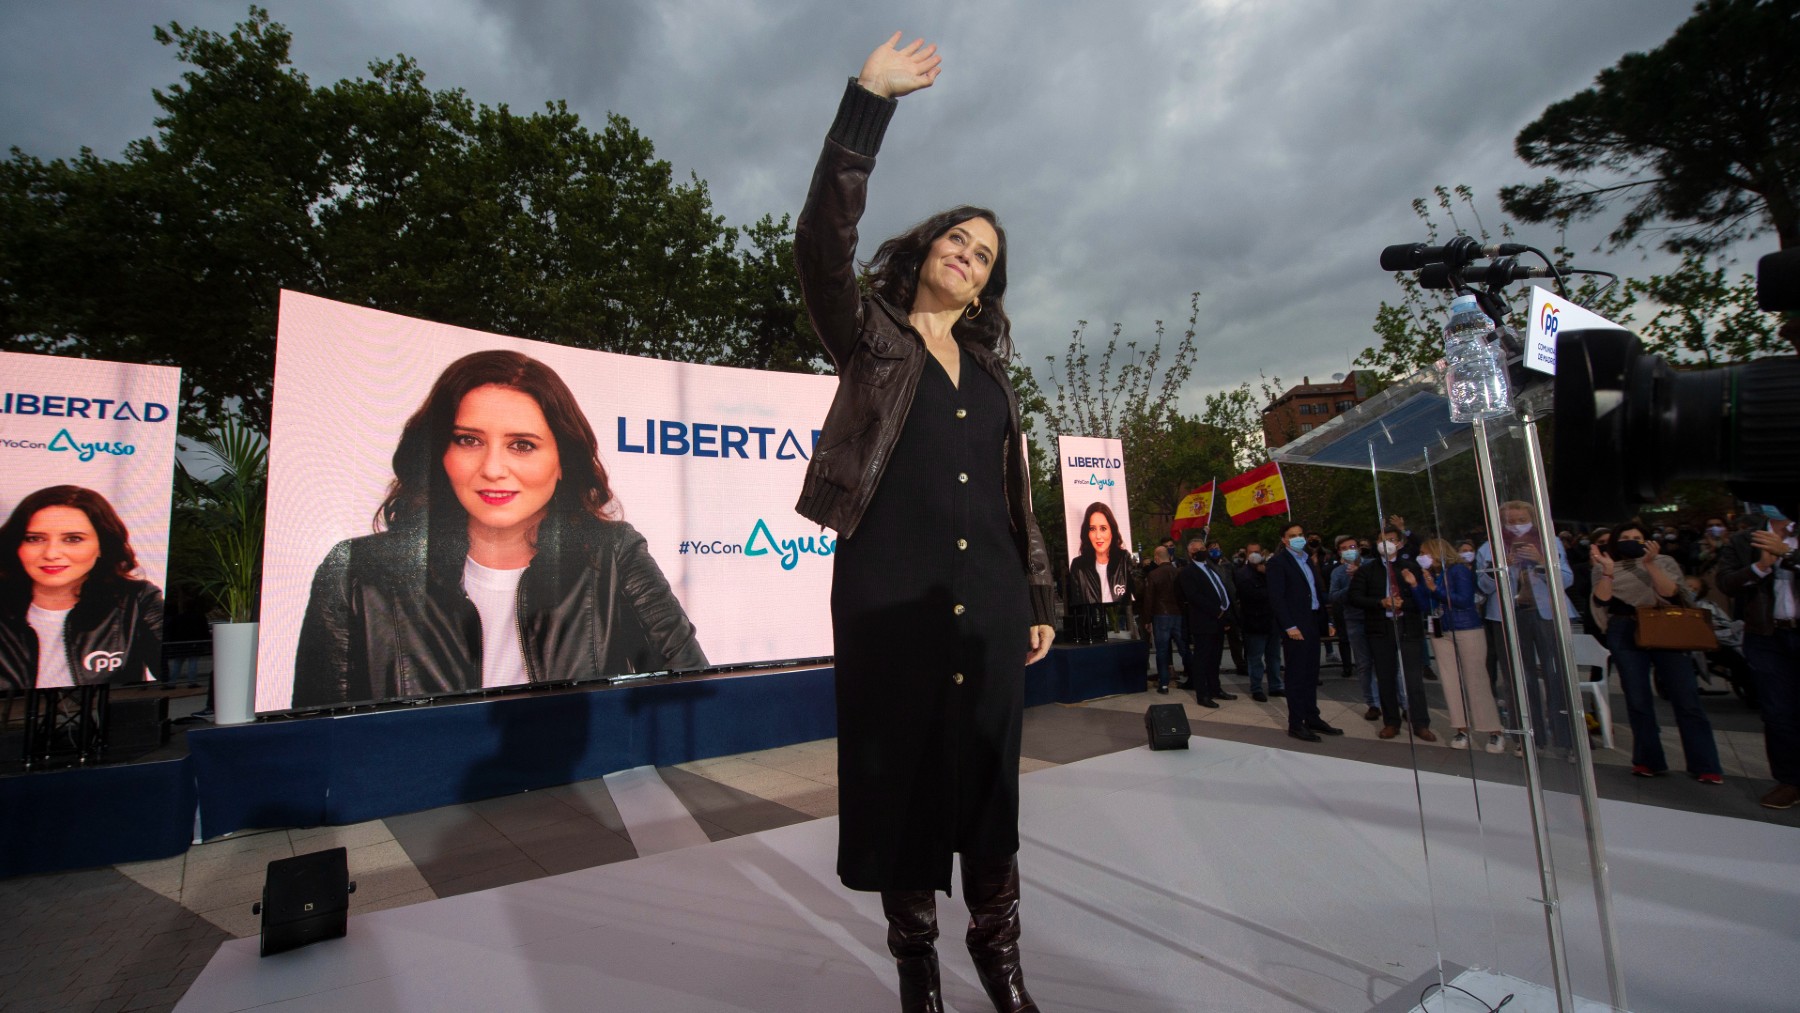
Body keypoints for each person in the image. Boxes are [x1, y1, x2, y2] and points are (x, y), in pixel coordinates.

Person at [792, 34, 1057, 1013]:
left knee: (986, 781)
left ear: (985, 285)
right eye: (957, 235)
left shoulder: (993, 378)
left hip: (986, 595)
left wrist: (1034, 592)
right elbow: (820, 244)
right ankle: (919, 972)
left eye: (983, 253)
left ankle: (1005, 964)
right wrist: (867, 104)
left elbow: (1014, 496)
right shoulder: (871, 338)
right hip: (886, 591)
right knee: (901, 777)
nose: (966, 252)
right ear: (928, 247)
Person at [292, 349, 706, 708]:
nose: (492, 469)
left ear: (562, 461)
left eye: (522, 445)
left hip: (578, 792)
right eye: (468, 440)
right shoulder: (356, 571)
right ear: (440, 454)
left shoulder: (613, 555)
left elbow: (693, 691)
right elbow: (319, 742)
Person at [1590, 521, 1723, 782]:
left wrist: (1650, 564)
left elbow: (1672, 593)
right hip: (1624, 630)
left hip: (1665, 625)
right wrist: (1606, 572)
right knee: (1637, 699)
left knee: (1686, 698)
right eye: (1625, 537)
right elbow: (1601, 600)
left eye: (1637, 537)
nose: (1631, 541)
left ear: (1648, 540)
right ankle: (1648, 760)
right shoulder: (1605, 563)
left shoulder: (1665, 561)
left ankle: (1705, 764)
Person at [0, 486, 164, 693]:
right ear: (16, 545)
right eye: (34, 538)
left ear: (102, 546)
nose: (51, 553)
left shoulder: (138, 601)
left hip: (97, 721)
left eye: (73, 539)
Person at [1476, 500, 1578, 753]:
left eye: (1522, 520)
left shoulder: (1550, 542)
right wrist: (1503, 567)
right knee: (1518, 677)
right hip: (1507, 615)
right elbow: (1483, 587)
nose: (1517, 526)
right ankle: (1527, 736)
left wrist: (1542, 562)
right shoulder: (1489, 548)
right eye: (1511, 522)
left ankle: (1564, 735)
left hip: (1545, 614)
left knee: (1556, 673)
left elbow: (1566, 579)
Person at [1714, 504, 1798, 808]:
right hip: (1766, 635)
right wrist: (1759, 567)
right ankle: (1790, 780)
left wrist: (1788, 554)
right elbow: (1724, 582)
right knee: (1777, 711)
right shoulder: (1744, 539)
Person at [1351, 526, 1437, 742]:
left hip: (1408, 626)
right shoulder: (1367, 570)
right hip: (1381, 627)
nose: (1386, 543)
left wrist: (1403, 602)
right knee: (1386, 677)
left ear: (1399, 543)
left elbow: (1424, 600)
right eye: (1381, 540)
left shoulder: (1411, 567)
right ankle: (1391, 722)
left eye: (1390, 539)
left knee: (1413, 679)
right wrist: (1381, 602)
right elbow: (1355, 597)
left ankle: (1420, 723)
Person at [1267, 519, 1340, 742]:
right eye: (1292, 535)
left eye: (1300, 534)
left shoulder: (1307, 560)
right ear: (1284, 539)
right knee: (1297, 675)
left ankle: (1312, 717)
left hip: (1313, 620)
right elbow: (1277, 598)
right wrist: (1289, 626)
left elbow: (1317, 592)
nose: (1297, 538)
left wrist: (1326, 620)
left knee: (1311, 673)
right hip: (1295, 626)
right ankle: (1296, 723)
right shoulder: (1278, 563)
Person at [1430, 538, 1505, 752]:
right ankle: (1461, 729)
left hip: (1466, 627)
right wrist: (1419, 586)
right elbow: (1425, 601)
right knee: (1450, 681)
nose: (1423, 557)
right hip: (1440, 629)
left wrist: (1433, 590)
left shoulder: (1458, 571)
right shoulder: (1433, 574)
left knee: (1476, 679)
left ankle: (1494, 731)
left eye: (1426, 552)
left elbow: (1464, 599)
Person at [1177, 535, 1236, 708]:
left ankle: (1215, 689)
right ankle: (1202, 694)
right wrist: (1216, 610)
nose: (1200, 552)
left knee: (1215, 658)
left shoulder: (1211, 568)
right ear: (1189, 554)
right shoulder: (1188, 572)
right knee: (1202, 659)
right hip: (1203, 621)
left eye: (1202, 549)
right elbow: (1194, 596)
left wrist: (1225, 614)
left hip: (1219, 621)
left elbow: (1221, 590)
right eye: (1196, 550)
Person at [1327, 534, 1381, 719]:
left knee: (1388, 663)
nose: (1349, 551)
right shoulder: (1338, 572)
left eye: (1352, 547)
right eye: (1344, 548)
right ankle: (1373, 703)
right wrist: (1351, 585)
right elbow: (1334, 597)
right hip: (1354, 620)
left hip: (1378, 618)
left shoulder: (1373, 565)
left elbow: (1379, 589)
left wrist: (1360, 575)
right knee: (1364, 664)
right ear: (1339, 552)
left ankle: (1402, 702)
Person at [1067, 501, 1130, 641]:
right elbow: (1077, 597)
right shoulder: (1078, 565)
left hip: (1119, 624)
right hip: (1092, 628)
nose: (1098, 536)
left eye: (1103, 528)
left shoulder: (1123, 559)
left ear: (1112, 531)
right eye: (1092, 529)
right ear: (1086, 533)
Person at [1234, 543, 1284, 702]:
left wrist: (1267, 574)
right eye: (1251, 552)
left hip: (1271, 621)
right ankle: (1256, 688)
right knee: (1255, 658)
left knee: (1274, 657)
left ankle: (1275, 686)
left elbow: (1279, 591)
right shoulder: (1242, 574)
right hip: (1254, 622)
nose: (1255, 554)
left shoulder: (1269, 571)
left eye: (1257, 552)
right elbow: (1253, 595)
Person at [1142, 546, 1192, 695]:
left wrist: (1147, 619)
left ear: (1157, 558)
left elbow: (1149, 599)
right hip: (1178, 614)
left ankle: (1163, 683)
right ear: (1169, 557)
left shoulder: (1154, 575)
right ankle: (1195, 677)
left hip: (1161, 615)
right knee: (1184, 649)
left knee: (1162, 650)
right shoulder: (1179, 572)